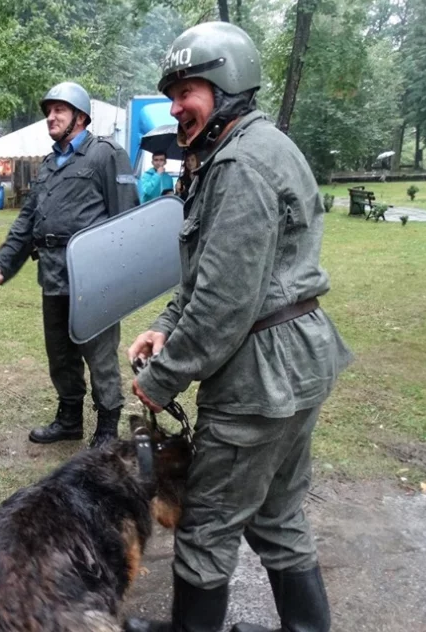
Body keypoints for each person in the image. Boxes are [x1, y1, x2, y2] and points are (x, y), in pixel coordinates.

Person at [125, 22, 353, 632]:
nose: (176, 107)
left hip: (260, 379)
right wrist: (165, 325)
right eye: (171, 93)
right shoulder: (249, 148)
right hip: (293, 364)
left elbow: (225, 302)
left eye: (186, 90)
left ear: (226, 84)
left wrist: (162, 378)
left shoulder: (241, 164)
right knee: (278, 514)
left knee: (206, 525)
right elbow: (211, 273)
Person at [0, 81, 139, 449]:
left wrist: (118, 278)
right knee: (60, 354)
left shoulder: (106, 154)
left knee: (99, 354)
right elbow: (27, 220)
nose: (50, 117)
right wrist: (2, 263)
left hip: (93, 278)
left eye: (59, 110)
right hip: (52, 274)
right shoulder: (49, 165)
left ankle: (106, 429)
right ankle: (69, 419)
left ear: (80, 117)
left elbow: (128, 220)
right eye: (48, 111)